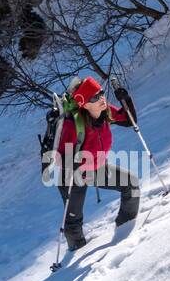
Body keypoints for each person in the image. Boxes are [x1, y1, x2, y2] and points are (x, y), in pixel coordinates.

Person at [55, 76, 140, 251]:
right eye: (94, 97)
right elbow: (58, 157)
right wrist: (73, 162)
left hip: (95, 168)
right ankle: (76, 252)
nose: (101, 98)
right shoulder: (73, 125)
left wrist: (126, 100)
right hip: (73, 176)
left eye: (101, 93)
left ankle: (124, 229)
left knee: (131, 184)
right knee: (73, 221)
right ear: (84, 104)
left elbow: (129, 120)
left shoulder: (105, 111)